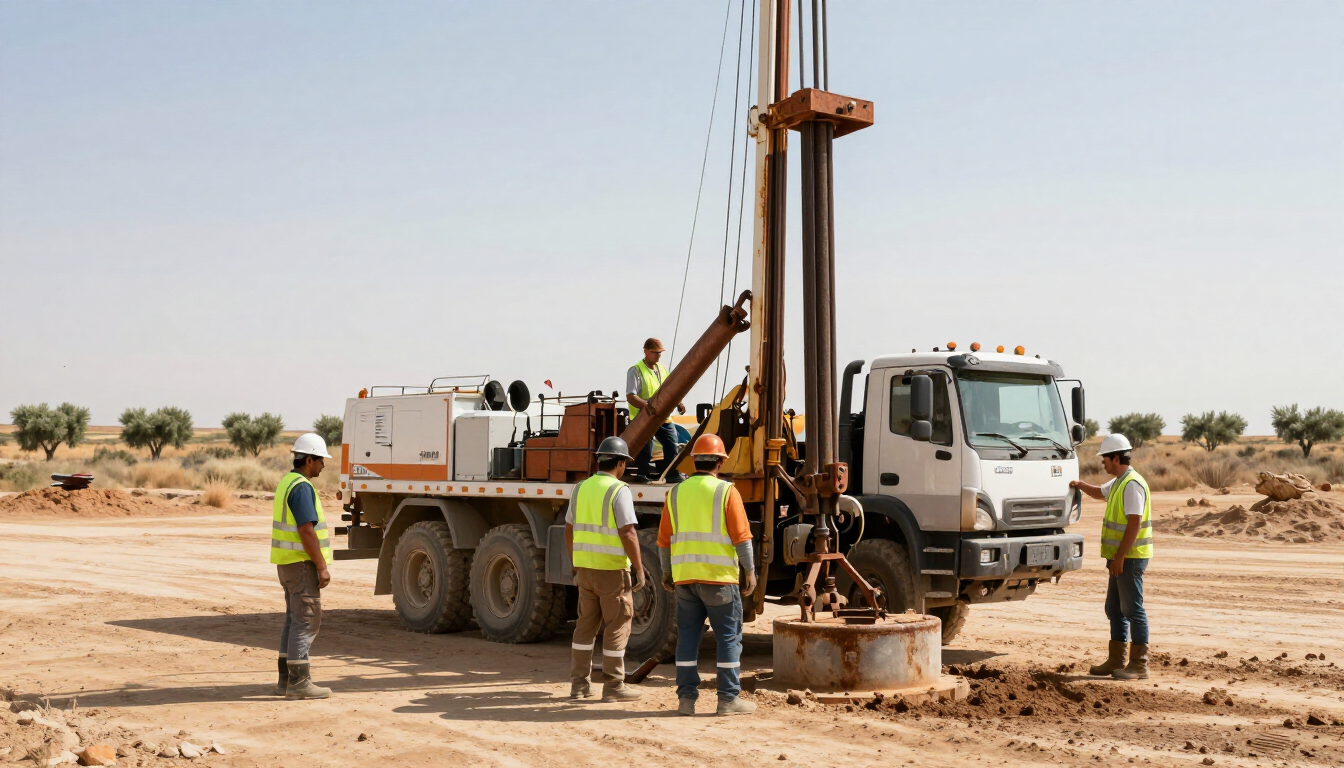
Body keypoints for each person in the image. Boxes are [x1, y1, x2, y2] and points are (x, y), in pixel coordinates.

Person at [658, 434, 757, 716]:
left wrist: (667, 572)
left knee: (687, 638)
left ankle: (686, 700)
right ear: (721, 461)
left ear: (694, 461)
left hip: (685, 580)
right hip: (719, 580)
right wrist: (749, 571)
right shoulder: (727, 492)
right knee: (728, 638)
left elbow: (664, 539)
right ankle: (727, 699)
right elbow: (742, 538)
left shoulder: (675, 492)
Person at [565, 436, 646, 701]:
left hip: (586, 570)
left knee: (584, 628)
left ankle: (579, 685)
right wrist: (639, 568)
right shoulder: (618, 489)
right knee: (617, 625)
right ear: (620, 463)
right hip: (612, 572)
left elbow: (569, 528)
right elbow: (628, 532)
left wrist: (576, 564)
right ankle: (613, 687)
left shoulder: (580, 488)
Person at [1070, 433, 1154, 680]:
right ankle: (1116, 660)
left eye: (1105, 458)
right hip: (1119, 558)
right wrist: (1080, 485)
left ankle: (1139, 664)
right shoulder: (1119, 481)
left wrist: (1120, 557)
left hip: (1130, 557)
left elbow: (1134, 524)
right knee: (1114, 608)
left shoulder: (1132, 484)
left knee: (1132, 608)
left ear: (1116, 457)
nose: (1102, 463)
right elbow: (1099, 493)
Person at [271, 433, 334, 699]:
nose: (323, 466)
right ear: (308, 459)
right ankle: (299, 683)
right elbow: (306, 530)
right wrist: (321, 566)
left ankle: (286, 680)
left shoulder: (287, 482)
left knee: (293, 620)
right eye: (320, 461)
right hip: (301, 564)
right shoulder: (302, 487)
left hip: (287, 564)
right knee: (306, 620)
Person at [626, 337, 686, 483]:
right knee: (646, 446)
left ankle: (671, 474)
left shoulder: (662, 370)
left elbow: (671, 391)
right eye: (654, 352)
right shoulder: (636, 371)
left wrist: (679, 402)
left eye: (659, 353)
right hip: (643, 416)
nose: (658, 355)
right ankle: (642, 475)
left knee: (672, 443)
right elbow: (630, 396)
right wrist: (647, 408)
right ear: (646, 351)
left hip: (662, 416)